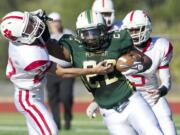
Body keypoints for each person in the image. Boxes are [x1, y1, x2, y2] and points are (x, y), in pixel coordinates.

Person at [48, 10, 163, 135]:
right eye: (86, 34)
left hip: (131, 101)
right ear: (79, 34)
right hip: (108, 113)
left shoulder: (116, 40)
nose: (91, 38)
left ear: (103, 30)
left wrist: (136, 64)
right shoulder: (73, 48)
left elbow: (147, 61)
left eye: (95, 33)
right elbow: (49, 46)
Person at [0, 10, 112, 135]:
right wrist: (92, 70)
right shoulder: (30, 56)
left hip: (36, 90)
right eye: (28, 27)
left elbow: (31, 26)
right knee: (50, 131)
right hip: (27, 97)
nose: (34, 25)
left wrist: (35, 16)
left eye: (30, 21)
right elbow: (61, 72)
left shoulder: (19, 37)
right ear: (19, 37)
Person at [122, 10, 177, 135]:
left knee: (168, 127)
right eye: (130, 30)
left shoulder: (160, 46)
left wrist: (160, 91)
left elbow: (166, 82)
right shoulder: (119, 48)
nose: (133, 33)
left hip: (152, 97)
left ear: (147, 28)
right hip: (127, 100)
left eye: (137, 29)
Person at [46, 12, 75, 130]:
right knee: (53, 98)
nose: (55, 24)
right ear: (49, 23)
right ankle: (56, 123)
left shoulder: (68, 34)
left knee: (66, 96)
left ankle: (67, 118)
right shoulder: (46, 36)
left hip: (67, 70)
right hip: (51, 70)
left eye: (57, 21)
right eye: (53, 21)